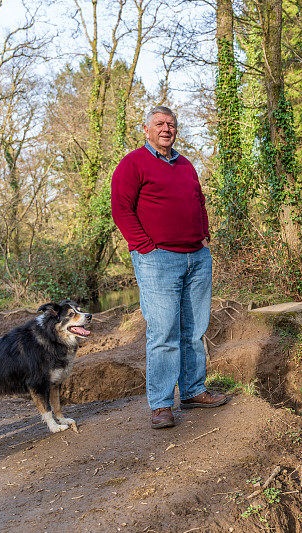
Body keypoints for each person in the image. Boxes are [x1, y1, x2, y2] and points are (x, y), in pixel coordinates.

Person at [111, 105, 228, 429]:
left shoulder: (186, 164)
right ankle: (161, 405)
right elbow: (121, 209)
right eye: (160, 123)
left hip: (196, 258)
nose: (167, 128)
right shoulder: (132, 163)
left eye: (172, 124)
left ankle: (192, 391)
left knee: (194, 331)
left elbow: (199, 202)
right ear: (146, 129)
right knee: (164, 333)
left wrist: (204, 237)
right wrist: (144, 247)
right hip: (158, 260)